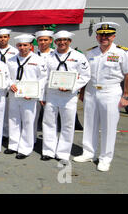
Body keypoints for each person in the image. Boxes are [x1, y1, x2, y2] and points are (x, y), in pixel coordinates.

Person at [74, 22, 128, 172]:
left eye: (107, 35)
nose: (104, 38)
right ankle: (89, 153)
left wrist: (126, 96)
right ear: (96, 36)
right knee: (90, 123)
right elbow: (85, 75)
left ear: (113, 36)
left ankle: (105, 158)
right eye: (101, 35)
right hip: (91, 91)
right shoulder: (90, 53)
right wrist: (82, 92)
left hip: (111, 92)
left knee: (109, 126)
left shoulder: (122, 53)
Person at [41, 31, 90, 163]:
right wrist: (42, 96)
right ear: (55, 42)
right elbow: (44, 78)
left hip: (69, 96)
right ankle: (48, 151)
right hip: (52, 94)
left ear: (70, 41)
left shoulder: (79, 57)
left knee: (67, 125)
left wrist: (73, 87)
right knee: (49, 123)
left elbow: (85, 76)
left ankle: (63, 153)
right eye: (59, 40)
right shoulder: (49, 57)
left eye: (65, 40)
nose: (62, 42)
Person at [6, 34, 47, 159]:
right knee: (13, 119)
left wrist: (35, 93)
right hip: (15, 94)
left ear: (30, 46)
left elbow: (43, 78)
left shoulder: (38, 60)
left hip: (29, 96)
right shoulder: (11, 60)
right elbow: (6, 76)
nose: (22, 47)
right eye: (20, 45)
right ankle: (13, 144)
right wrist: (10, 85)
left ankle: (25, 148)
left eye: (25, 45)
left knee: (28, 121)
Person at [0, 28, 17, 139]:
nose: (2, 39)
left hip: (10, 84)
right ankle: (0, 133)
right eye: (0, 37)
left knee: (10, 110)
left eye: (5, 37)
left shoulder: (15, 51)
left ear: (9, 38)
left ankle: (8, 133)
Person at [34, 30, 54, 143]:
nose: (43, 42)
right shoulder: (32, 55)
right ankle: (31, 141)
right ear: (37, 41)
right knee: (32, 118)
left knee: (49, 120)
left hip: (50, 91)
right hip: (34, 90)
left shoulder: (55, 55)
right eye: (40, 40)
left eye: (45, 40)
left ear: (51, 41)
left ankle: (48, 144)